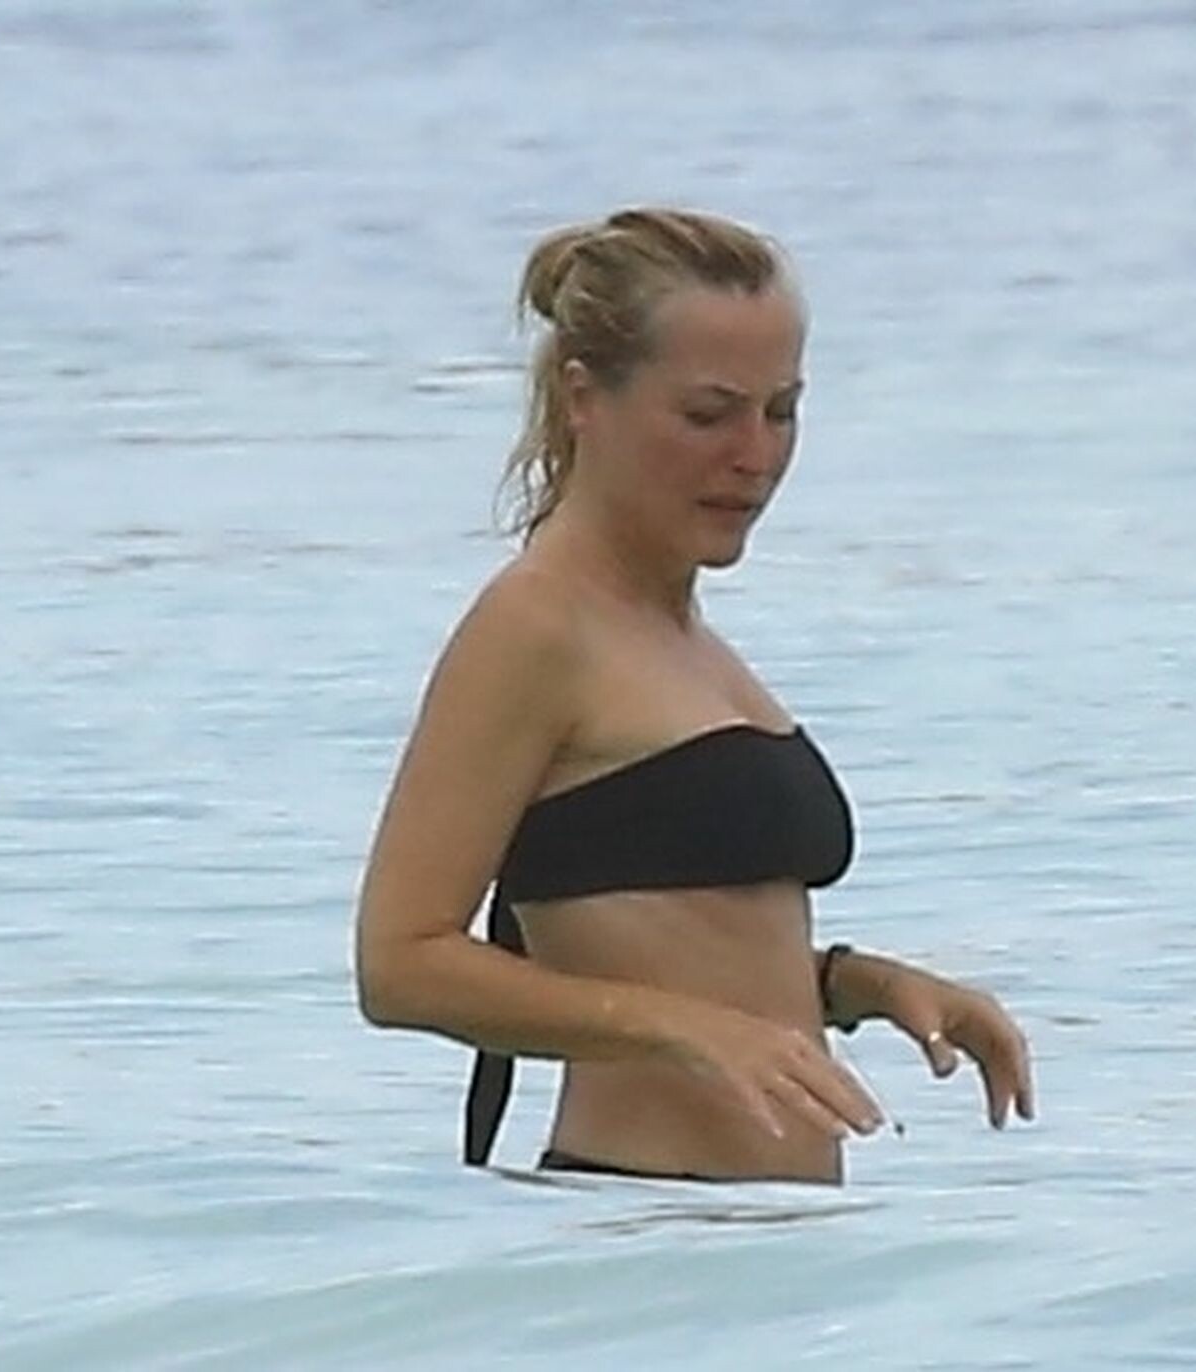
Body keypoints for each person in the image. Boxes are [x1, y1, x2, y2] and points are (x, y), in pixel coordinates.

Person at [354, 206, 1034, 1184]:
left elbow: (676, 937)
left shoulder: (686, 641)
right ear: (584, 398)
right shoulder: (535, 627)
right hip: (629, 1219)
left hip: (758, 1240)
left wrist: (861, 985)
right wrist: (685, 1029)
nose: (754, 455)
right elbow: (400, 963)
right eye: (709, 415)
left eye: (782, 411)